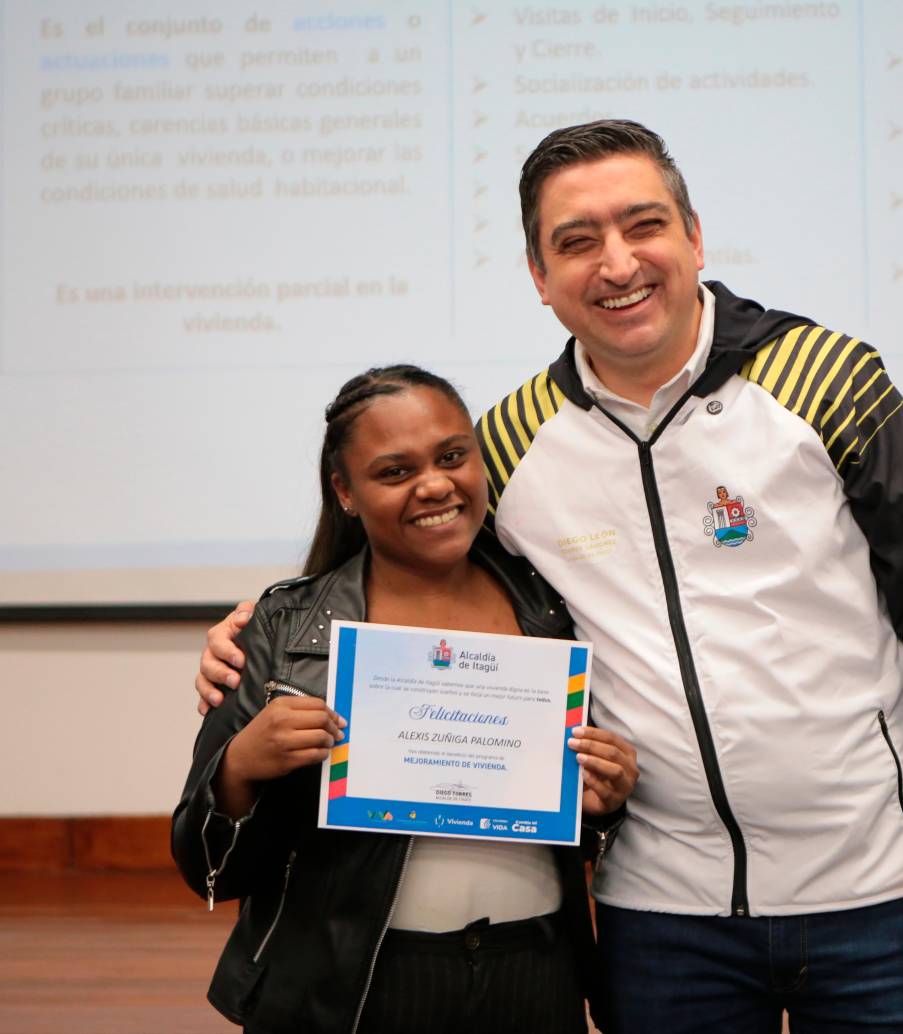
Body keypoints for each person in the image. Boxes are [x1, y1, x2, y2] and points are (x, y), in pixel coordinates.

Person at [196, 122, 903, 1032]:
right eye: (577, 242)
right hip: (659, 917)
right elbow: (406, 556)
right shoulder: (511, 443)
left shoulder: (829, 379)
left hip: (880, 892)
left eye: (643, 225)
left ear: (694, 236)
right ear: (539, 277)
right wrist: (261, 627)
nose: (618, 264)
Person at [174, 365, 638, 1034]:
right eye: (395, 472)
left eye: (452, 456)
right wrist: (241, 766)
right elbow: (208, 868)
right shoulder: (283, 630)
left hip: (533, 970)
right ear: (346, 491)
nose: (435, 485)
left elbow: (585, 830)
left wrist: (604, 800)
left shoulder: (554, 608)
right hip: (349, 984)